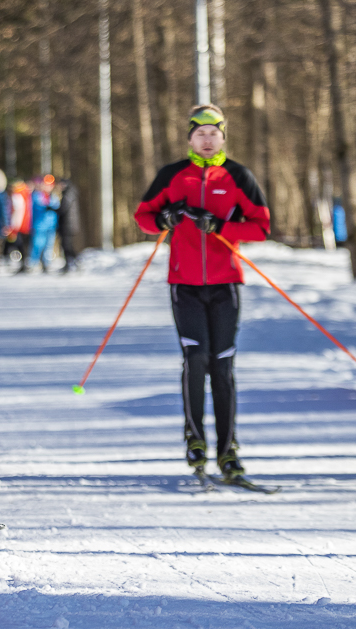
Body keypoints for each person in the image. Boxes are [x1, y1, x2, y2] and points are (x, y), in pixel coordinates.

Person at [134, 104, 270, 481]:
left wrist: (224, 227)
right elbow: (143, 216)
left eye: (214, 132)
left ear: (223, 136)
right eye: (200, 133)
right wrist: (165, 219)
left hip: (226, 285)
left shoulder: (238, 175)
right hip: (185, 285)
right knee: (196, 360)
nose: (207, 139)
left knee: (222, 366)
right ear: (190, 137)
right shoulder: (174, 175)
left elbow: (261, 226)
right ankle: (195, 441)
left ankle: (229, 451)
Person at [27, 174, 60, 272]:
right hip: (39, 225)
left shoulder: (54, 197)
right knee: (37, 245)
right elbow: (35, 208)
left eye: (50, 185)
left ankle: (46, 263)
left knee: (49, 246)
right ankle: (33, 263)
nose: (48, 187)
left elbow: (57, 210)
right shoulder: (36, 196)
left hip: (51, 225)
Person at [57, 178, 81, 273]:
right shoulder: (70, 193)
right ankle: (73, 263)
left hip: (68, 224)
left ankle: (71, 263)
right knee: (67, 245)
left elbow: (63, 209)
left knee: (66, 245)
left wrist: (52, 209)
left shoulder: (68, 194)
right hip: (68, 224)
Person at [8, 179, 33, 271]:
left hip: (20, 225)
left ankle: (23, 264)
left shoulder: (17, 195)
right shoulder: (27, 193)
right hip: (28, 223)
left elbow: (17, 211)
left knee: (20, 245)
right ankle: (26, 263)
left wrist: (13, 226)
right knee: (26, 246)